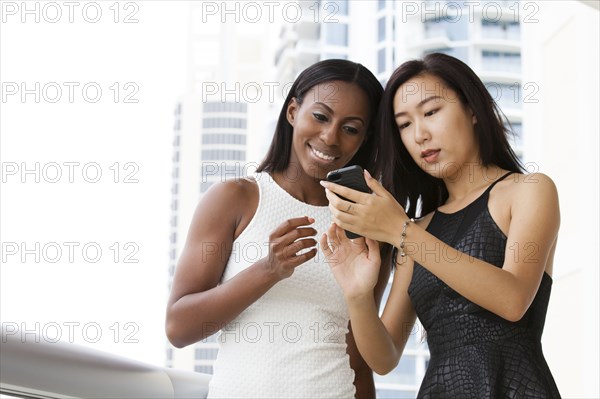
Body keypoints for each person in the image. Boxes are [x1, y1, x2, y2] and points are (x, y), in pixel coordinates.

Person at [320, 53, 561, 398]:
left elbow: (513, 299)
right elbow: (384, 358)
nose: (419, 135)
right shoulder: (417, 229)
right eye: (404, 124)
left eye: (431, 112)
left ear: (473, 110)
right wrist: (358, 295)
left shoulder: (529, 191)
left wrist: (401, 232)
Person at [165, 59, 388, 398]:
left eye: (350, 128)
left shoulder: (365, 227)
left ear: (364, 138)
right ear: (293, 112)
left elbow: (359, 362)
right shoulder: (235, 198)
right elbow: (178, 328)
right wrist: (268, 270)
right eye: (321, 116)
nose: (330, 137)